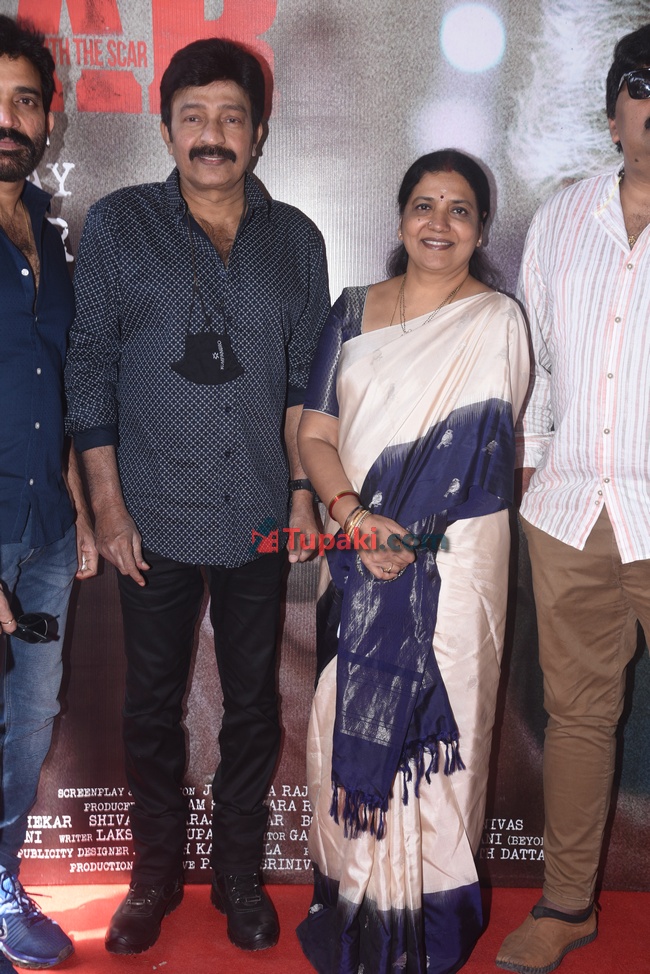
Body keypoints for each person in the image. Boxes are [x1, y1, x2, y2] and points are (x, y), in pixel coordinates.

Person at [64, 36, 329, 957]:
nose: (212, 135)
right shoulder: (120, 225)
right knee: (150, 707)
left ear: (259, 131)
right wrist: (108, 506)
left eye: (231, 118)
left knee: (253, 707)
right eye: (194, 117)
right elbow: (89, 372)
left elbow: (307, 382)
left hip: (259, 512)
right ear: (166, 126)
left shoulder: (297, 240)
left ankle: (240, 878)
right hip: (151, 516)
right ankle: (153, 878)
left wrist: (303, 494)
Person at [295, 149, 530, 974]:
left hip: (458, 570)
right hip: (357, 558)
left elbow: (484, 457)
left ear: (481, 230)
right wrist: (358, 520)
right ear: (400, 219)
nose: (439, 222)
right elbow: (315, 434)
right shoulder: (351, 311)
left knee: (449, 749)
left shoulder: (498, 321)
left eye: (459, 209)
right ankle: (356, 914)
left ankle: (431, 935)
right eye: (424, 205)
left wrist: (416, 537)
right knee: (343, 727)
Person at [496, 24, 650, 974]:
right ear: (614, 109)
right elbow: (540, 370)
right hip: (571, 514)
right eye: (643, 86)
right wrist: (534, 480)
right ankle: (565, 905)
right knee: (580, 717)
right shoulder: (561, 219)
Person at [0, 14, 97, 973]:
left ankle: (1, 884)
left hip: (45, 532)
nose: (9, 118)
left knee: (27, 725)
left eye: (24, 100)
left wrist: (76, 507)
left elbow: (52, 387)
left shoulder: (45, 232)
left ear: (48, 116)